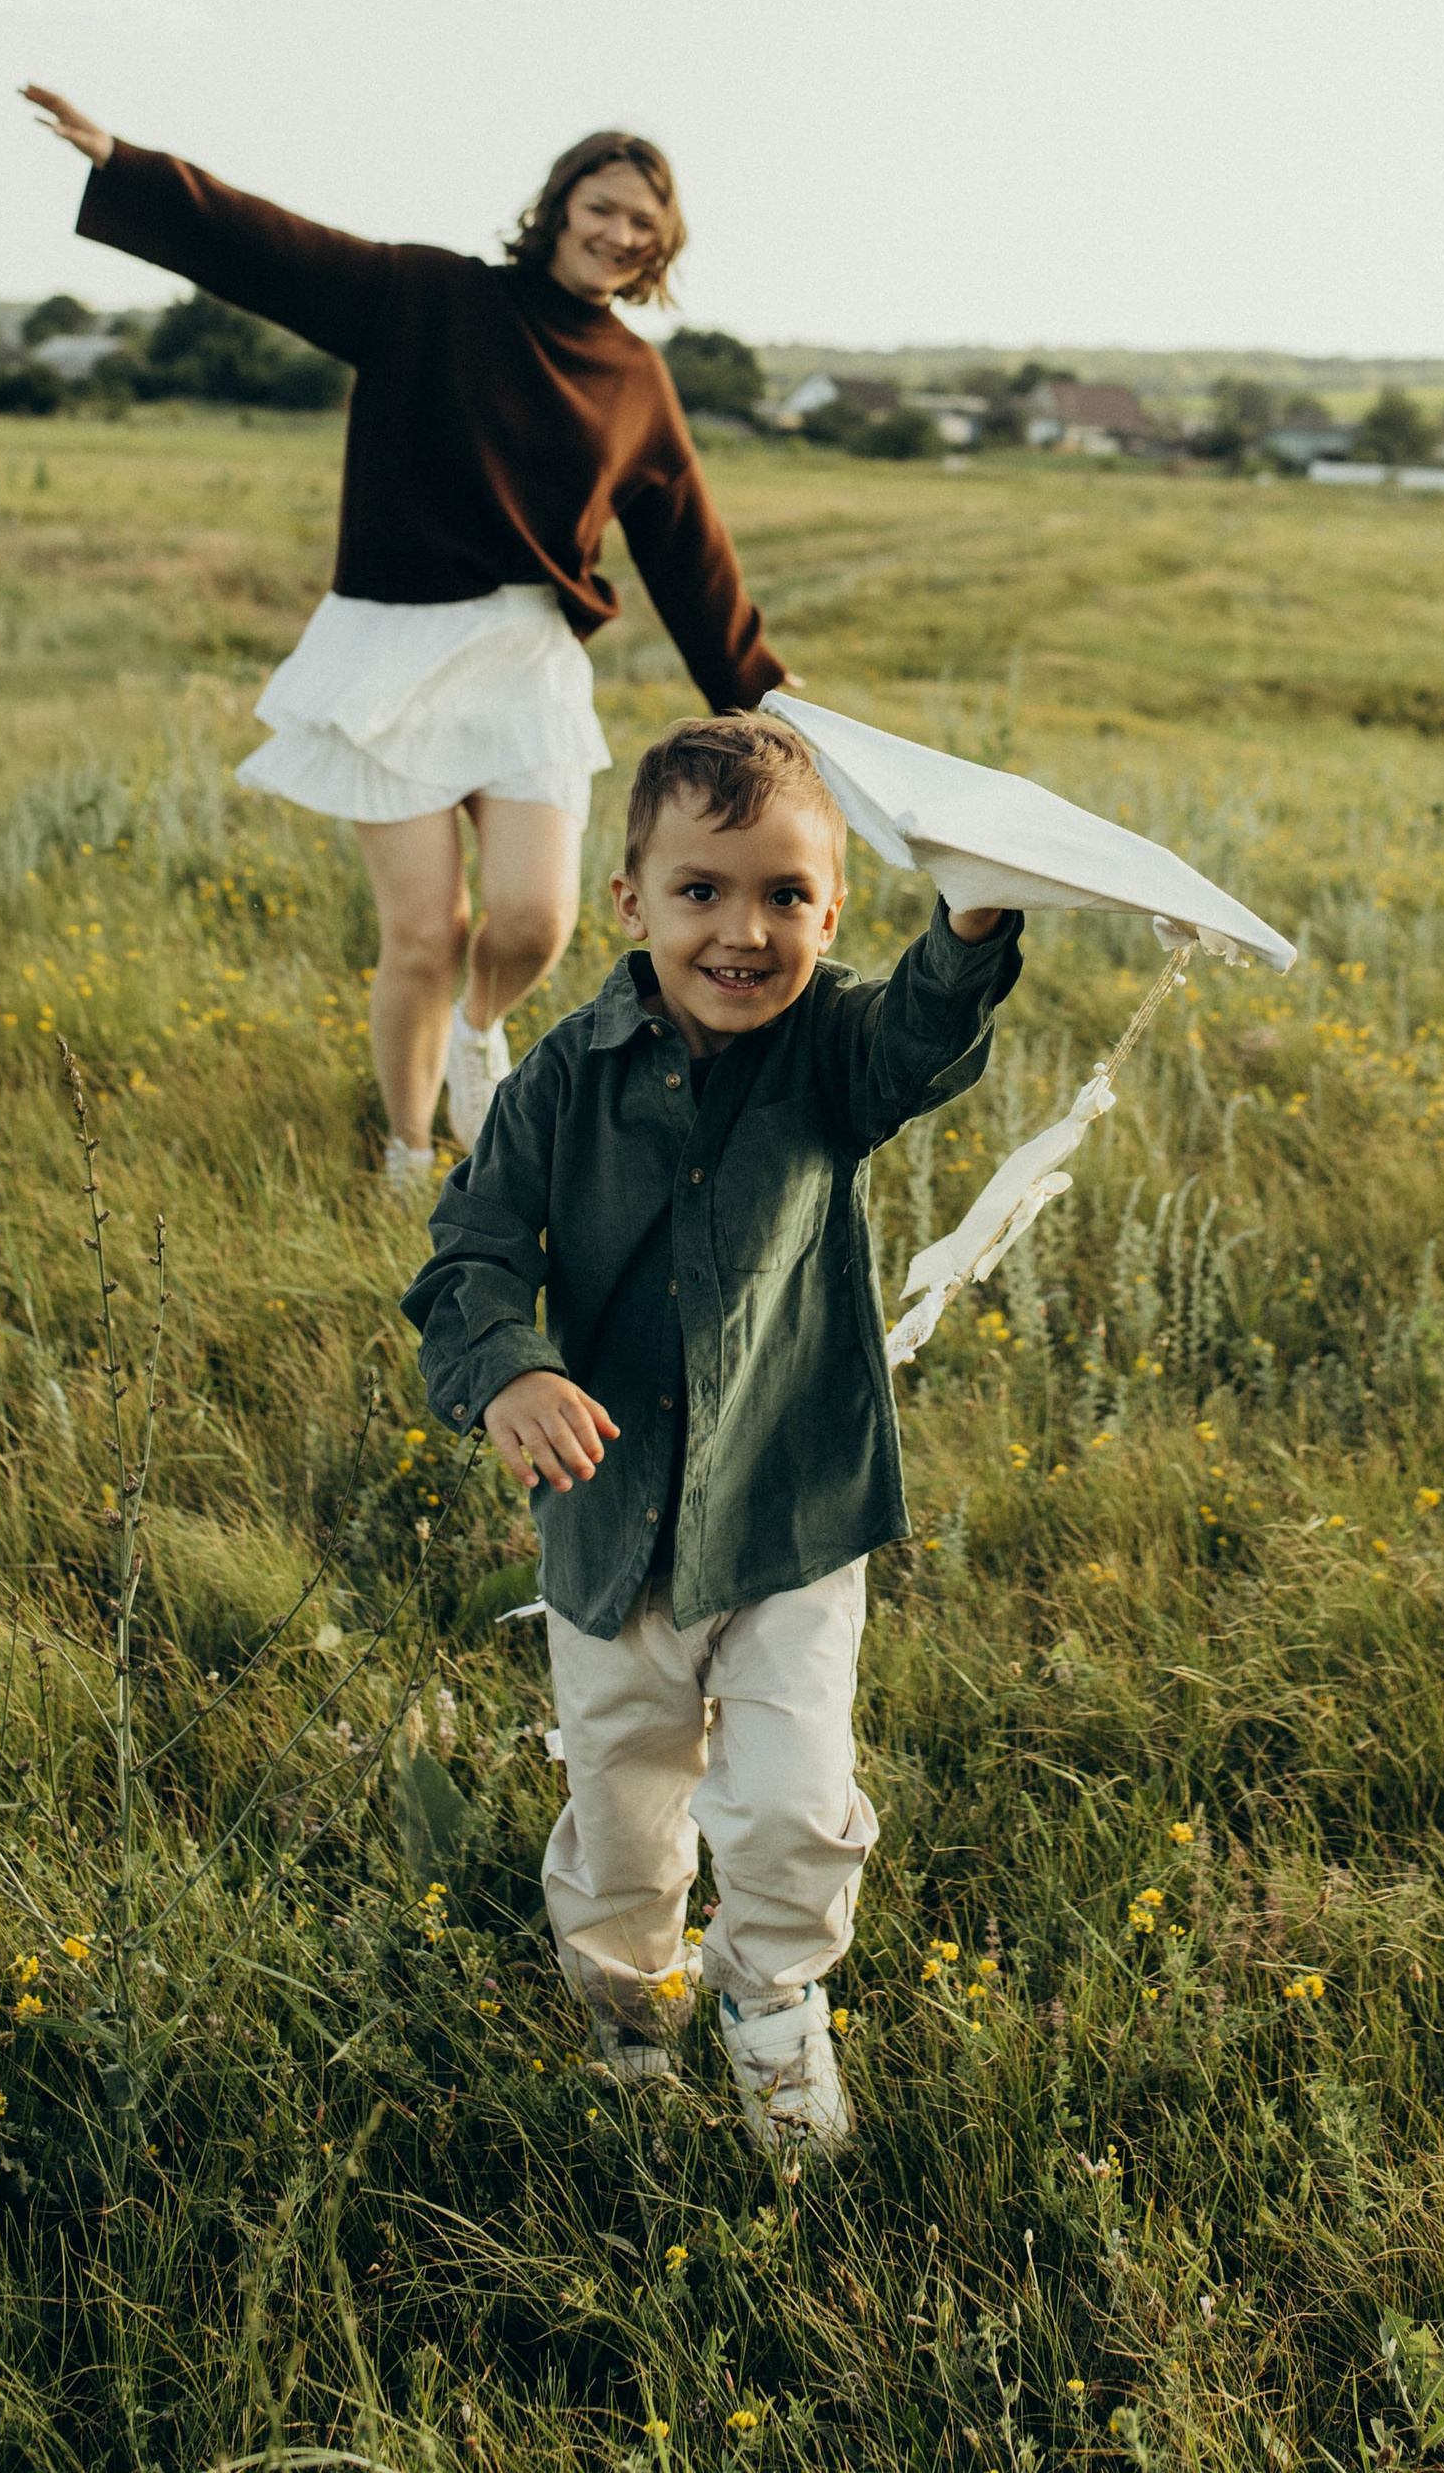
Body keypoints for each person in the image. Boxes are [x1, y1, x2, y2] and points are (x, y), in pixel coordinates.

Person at [401, 709, 1020, 2154]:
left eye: (786, 896)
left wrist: (974, 923)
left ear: (834, 906)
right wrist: (507, 1371)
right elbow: (471, 1254)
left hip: (791, 1511)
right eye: (703, 892)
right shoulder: (565, 1075)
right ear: (630, 902)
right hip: (611, 1526)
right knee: (624, 1804)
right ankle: (630, 2011)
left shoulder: (838, 1051)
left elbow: (929, 1033)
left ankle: (775, 2009)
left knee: (793, 1803)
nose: (745, 933)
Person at [22, 86, 786, 1182]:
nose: (619, 235)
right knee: (425, 932)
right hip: (391, 652)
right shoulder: (429, 295)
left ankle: (476, 1033)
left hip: (525, 660)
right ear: (561, 202)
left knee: (532, 920)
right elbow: (273, 250)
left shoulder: (634, 379)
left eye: (643, 225)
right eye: (603, 206)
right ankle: (408, 1152)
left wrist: (760, 688)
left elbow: (686, 548)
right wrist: (128, 166)